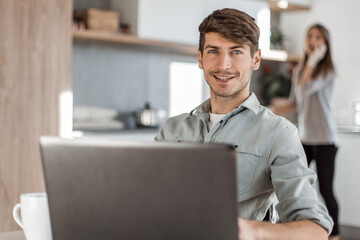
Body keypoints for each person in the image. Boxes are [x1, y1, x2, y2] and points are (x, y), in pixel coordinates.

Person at [155, 8, 333, 240]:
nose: (224, 65)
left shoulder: (278, 133)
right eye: (213, 51)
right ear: (200, 58)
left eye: (236, 51)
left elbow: (315, 229)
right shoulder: (171, 130)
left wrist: (247, 230)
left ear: (256, 59)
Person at [270, 23, 339, 240]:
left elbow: (307, 88)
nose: (313, 41)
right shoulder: (300, 70)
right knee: (296, 186)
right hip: (305, 138)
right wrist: (271, 110)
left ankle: (334, 235)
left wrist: (313, 61)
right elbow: (296, 102)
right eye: (310, 36)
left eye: (318, 37)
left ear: (325, 44)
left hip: (326, 139)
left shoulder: (327, 71)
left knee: (326, 190)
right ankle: (293, 231)